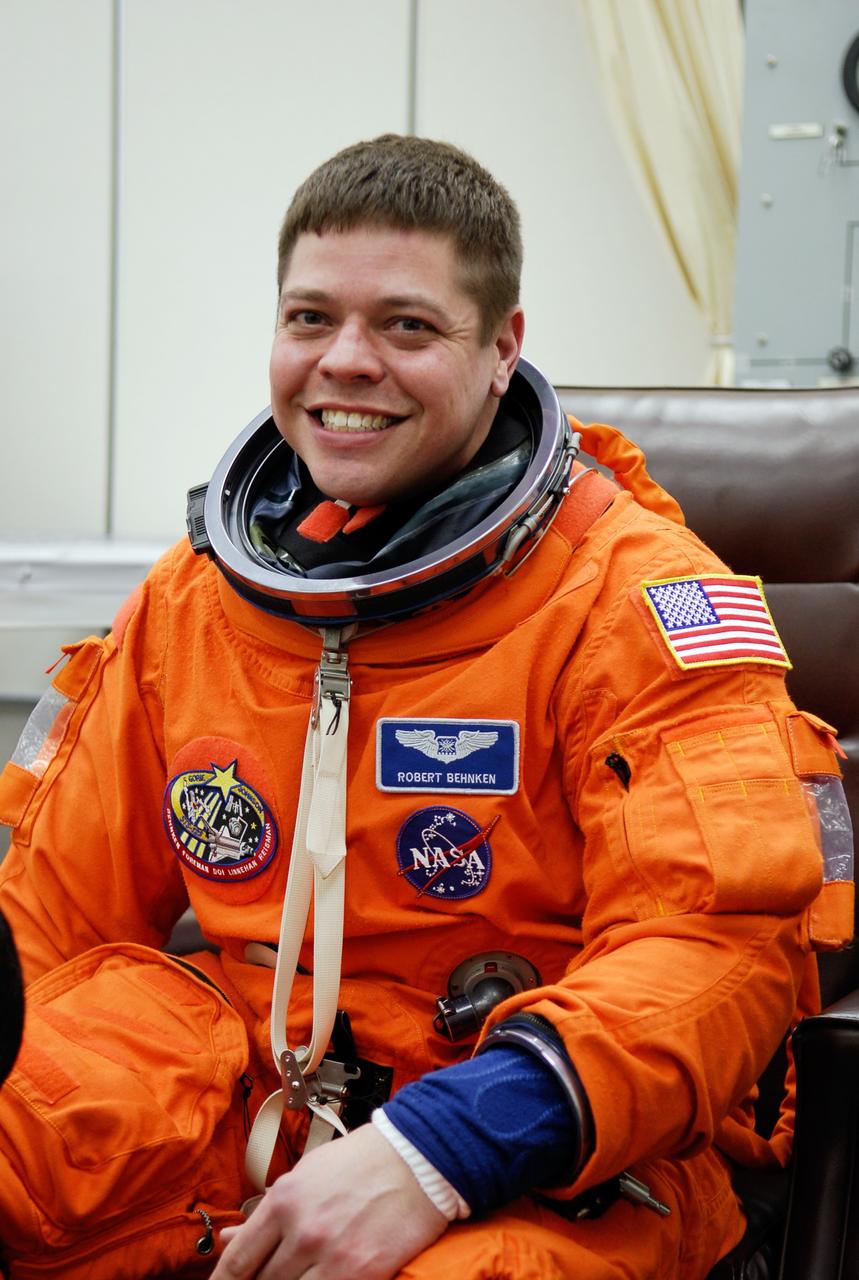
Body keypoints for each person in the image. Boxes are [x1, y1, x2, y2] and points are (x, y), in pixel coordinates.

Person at [0, 134, 851, 1280]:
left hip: (543, 1138)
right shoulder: (194, 600)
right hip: (236, 1089)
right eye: (310, 318)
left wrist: (441, 1146)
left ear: (502, 348)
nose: (345, 361)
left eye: (405, 326)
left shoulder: (636, 600)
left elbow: (718, 947)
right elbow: (45, 926)